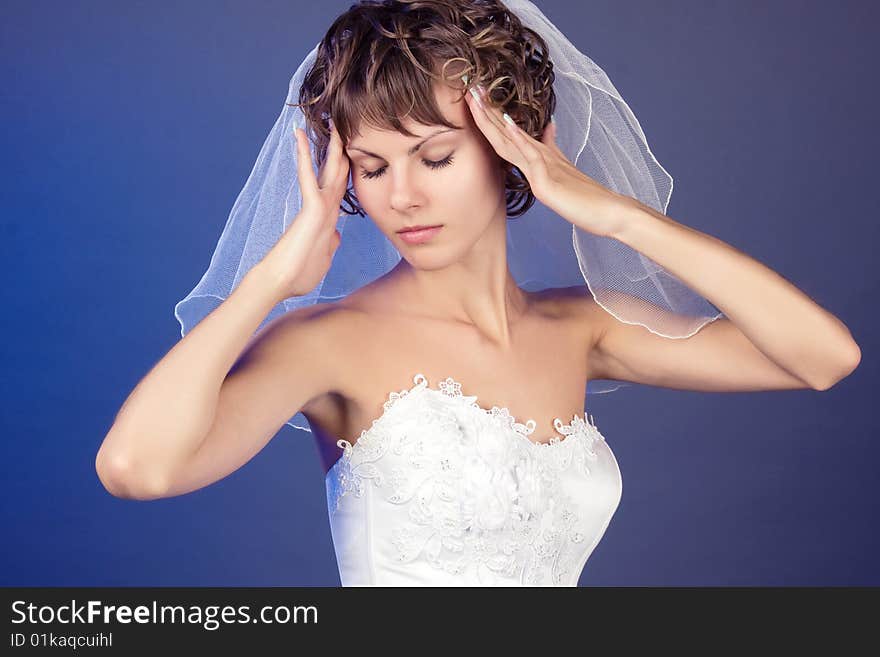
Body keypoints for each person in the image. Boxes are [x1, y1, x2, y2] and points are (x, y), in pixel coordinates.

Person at [95, 0, 861, 586]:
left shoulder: (581, 328)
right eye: (373, 165)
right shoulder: (324, 344)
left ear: (510, 147)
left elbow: (822, 357)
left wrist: (615, 214)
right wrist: (271, 280)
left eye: (434, 157)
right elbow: (137, 467)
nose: (402, 197)